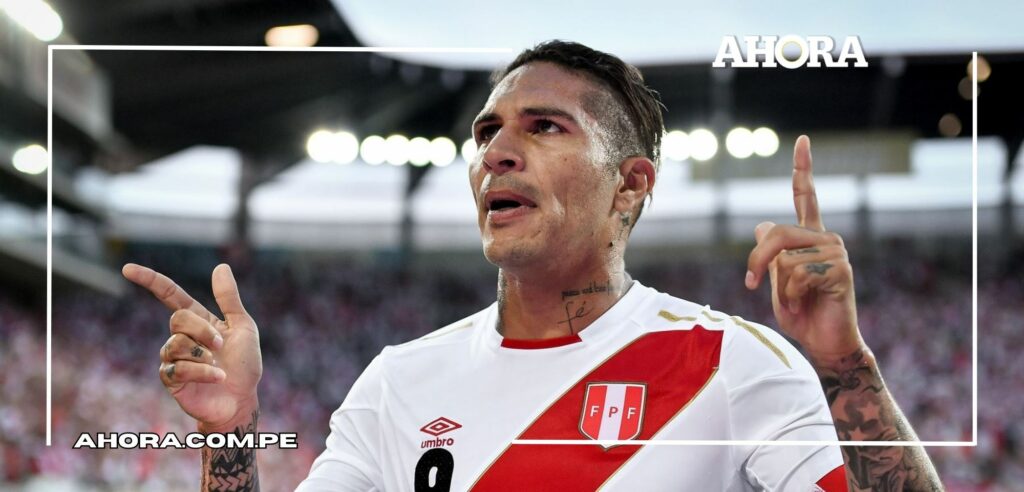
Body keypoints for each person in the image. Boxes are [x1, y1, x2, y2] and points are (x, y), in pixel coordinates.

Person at [123, 40, 942, 491]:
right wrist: (230, 435)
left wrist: (846, 365)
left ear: (630, 185)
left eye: (544, 127)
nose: (497, 152)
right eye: (486, 132)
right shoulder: (398, 380)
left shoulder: (731, 364)